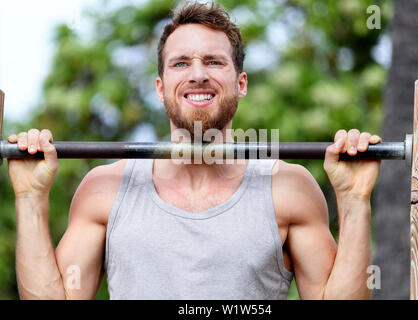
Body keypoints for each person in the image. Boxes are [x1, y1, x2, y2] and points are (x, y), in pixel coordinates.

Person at [7, 1, 382, 300]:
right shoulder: (104, 188)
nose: (197, 74)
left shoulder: (288, 187)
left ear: (241, 83)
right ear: (160, 86)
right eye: (181, 63)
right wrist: (29, 196)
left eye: (214, 61)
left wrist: (353, 201)